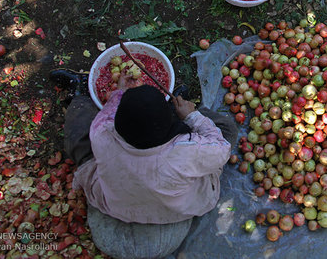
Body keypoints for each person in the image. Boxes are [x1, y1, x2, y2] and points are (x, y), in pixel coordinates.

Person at [50, 69, 238, 258]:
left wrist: (120, 93)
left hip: (114, 201)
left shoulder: (102, 133)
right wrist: (191, 116)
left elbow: (108, 113)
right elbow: (222, 148)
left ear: (118, 124)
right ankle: (178, 105)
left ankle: (80, 93)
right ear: (170, 124)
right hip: (175, 207)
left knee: (79, 132)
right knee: (225, 129)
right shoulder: (186, 151)